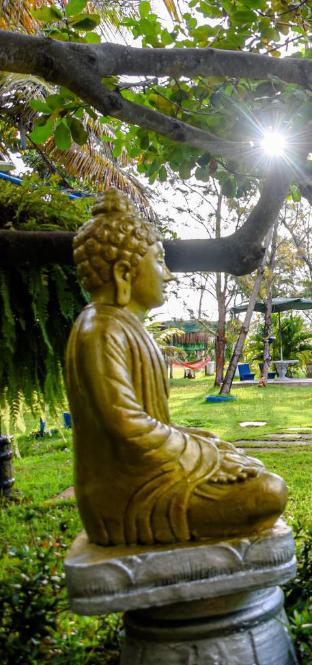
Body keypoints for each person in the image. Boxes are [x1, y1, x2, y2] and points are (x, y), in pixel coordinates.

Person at [65, 191, 287, 546]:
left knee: (235, 454)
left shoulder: (122, 326)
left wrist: (208, 442)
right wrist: (206, 456)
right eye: (158, 263)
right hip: (130, 494)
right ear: (124, 273)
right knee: (268, 492)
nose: (168, 276)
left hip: (149, 475)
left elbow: (157, 425)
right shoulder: (100, 331)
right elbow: (129, 429)